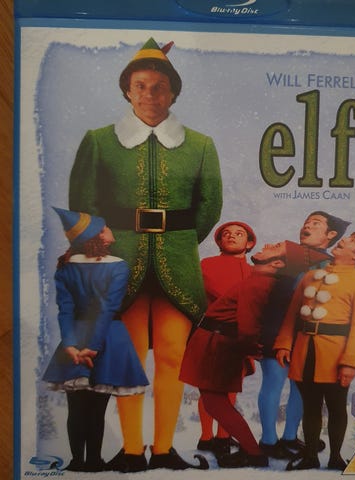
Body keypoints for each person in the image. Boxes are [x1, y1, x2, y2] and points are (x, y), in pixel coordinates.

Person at [68, 38, 222, 471]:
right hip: (121, 263)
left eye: (159, 87)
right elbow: (82, 207)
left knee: (173, 355)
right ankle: (132, 451)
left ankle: (165, 449)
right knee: (130, 357)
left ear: (173, 93)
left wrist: (178, 240)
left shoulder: (201, 145)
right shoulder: (99, 141)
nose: (150, 94)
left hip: (177, 262)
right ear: (127, 91)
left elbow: (209, 207)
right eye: (140, 86)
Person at [179, 241, 329, 468]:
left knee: (214, 402)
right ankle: (252, 450)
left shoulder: (259, 284)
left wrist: (250, 349)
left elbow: (249, 325)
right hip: (216, 342)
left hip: (217, 345)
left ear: (277, 264)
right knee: (213, 402)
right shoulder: (260, 281)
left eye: (275, 247)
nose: (267, 244)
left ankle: (254, 452)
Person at [274, 232, 355, 470]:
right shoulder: (309, 277)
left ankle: (335, 458)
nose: (345, 239)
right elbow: (291, 315)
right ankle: (310, 456)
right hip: (304, 352)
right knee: (310, 406)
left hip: (335, 356)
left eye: (353, 240)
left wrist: (350, 362)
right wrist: (284, 343)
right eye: (349, 236)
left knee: (336, 406)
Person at [42, 208, 149, 473]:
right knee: (96, 409)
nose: (109, 229)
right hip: (109, 338)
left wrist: (70, 344)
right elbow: (107, 308)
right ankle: (93, 461)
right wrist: (94, 346)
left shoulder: (66, 267)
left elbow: (65, 309)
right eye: (104, 227)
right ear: (99, 236)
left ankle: (77, 461)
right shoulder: (118, 266)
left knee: (76, 408)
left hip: (75, 337)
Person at [257, 211, 349, 459]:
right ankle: (268, 441)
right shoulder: (287, 255)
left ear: (330, 234)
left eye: (315, 224)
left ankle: (289, 437)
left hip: (307, 334)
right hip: (276, 328)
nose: (306, 226)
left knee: (301, 387)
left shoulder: (330, 264)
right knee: (274, 381)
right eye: (306, 223)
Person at [197, 221, 256, 457]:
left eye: (239, 234)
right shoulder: (207, 264)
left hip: (239, 337)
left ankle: (223, 436)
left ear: (249, 243)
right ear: (219, 241)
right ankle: (205, 437)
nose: (231, 236)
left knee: (231, 388)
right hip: (212, 333)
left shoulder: (253, 271)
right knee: (209, 389)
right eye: (226, 234)